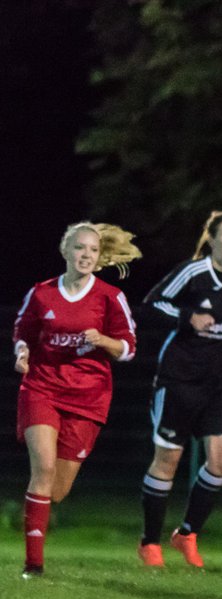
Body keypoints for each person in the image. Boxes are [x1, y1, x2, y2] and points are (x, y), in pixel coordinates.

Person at [12, 222, 141, 578]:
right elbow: (23, 330)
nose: (86, 255)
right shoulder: (42, 294)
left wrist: (103, 340)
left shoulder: (110, 297)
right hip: (42, 388)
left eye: (92, 250)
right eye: (80, 248)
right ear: (66, 251)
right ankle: (33, 565)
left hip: (88, 398)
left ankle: (31, 518)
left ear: (99, 257)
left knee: (58, 491)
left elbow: (129, 348)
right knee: (44, 469)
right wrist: (22, 352)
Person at [136, 211, 222, 569]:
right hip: (179, 379)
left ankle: (186, 534)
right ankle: (150, 542)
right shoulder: (193, 272)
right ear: (212, 239)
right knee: (167, 460)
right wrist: (188, 318)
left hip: (216, 382)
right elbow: (152, 303)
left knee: (220, 461)